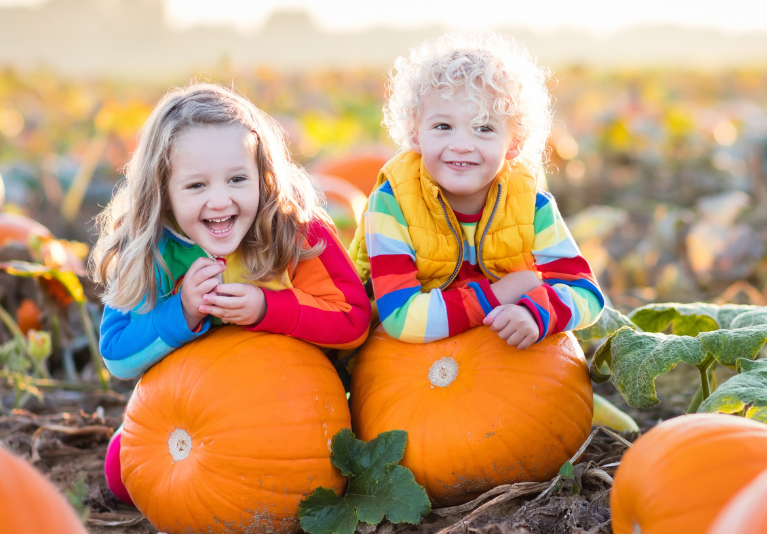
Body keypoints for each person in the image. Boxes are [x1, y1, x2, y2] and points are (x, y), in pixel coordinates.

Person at [90, 82, 371, 503]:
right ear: (162, 191)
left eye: (238, 179)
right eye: (196, 186)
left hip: (292, 411)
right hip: (194, 414)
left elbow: (353, 319)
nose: (219, 201)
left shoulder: (296, 234)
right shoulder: (152, 250)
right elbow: (116, 355)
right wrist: (180, 312)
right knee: (122, 476)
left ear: (265, 175)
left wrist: (267, 308)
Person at [349, 32, 604, 348]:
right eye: (443, 126)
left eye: (484, 128)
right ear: (415, 134)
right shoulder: (391, 205)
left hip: (502, 361)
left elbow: (587, 293)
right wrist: (499, 294)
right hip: (407, 366)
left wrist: (536, 313)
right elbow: (401, 317)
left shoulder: (531, 205)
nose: (461, 145)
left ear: (515, 143)